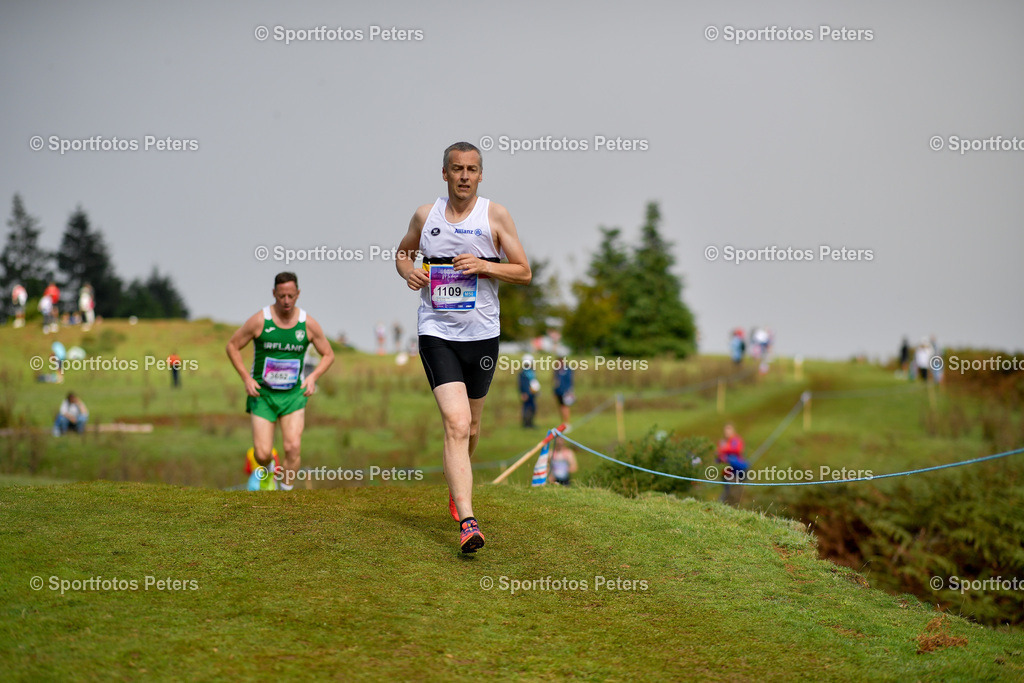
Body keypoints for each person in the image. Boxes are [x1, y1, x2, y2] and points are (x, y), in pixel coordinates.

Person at [395, 140, 531, 553]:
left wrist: (485, 264)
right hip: (437, 332)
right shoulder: (426, 215)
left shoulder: (495, 214)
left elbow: (524, 271)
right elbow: (403, 251)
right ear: (445, 173)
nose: (465, 176)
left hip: (482, 336)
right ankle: (468, 521)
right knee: (455, 424)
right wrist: (408, 272)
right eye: (457, 169)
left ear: (481, 174)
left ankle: (458, 486)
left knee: (471, 426)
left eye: (472, 169)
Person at [226, 272, 335, 491]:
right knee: (262, 453)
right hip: (263, 395)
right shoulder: (260, 320)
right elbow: (232, 346)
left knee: (293, 446)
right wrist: (246, 378)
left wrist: (313, 378)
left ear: (298, 294)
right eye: (282, 296)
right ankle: (268, 472)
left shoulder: (308, 324)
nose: (286, 301)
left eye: (291, 296)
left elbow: (328, 354)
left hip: (293, 395)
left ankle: (286, 492)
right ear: (274, 293)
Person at [717, 423, 748, 505]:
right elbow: (718, 453)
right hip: (727, 471)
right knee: (728, 490)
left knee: (736, 491)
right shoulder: (723, 442)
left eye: (729, 430)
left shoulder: (736, 440)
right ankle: (723, 504)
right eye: (726, 431)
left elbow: (737, 449)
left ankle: (730, 505)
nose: (727, 433)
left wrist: (724, 449)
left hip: (739, 470)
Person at [552, 356, 574, 425]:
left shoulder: (567, 370)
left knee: (565, 407)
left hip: (566, 392)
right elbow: (555, 381)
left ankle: (567, 422)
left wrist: (569, 391)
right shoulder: (557, 370)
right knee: (561, 407)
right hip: (558, 391)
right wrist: (554, 391)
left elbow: (570, 381)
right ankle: (563, 423)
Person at [518, 355, 539, 428]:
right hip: (527, 394)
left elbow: (534, 382)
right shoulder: (523, 373)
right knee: (527, 408)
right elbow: (521, 384)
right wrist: (523, 393)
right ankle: (526, 424)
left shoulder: (531, 371)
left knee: (533, 408)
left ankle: (531, 423)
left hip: (532, 393)